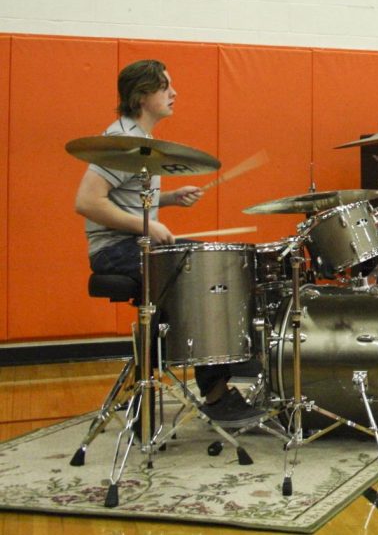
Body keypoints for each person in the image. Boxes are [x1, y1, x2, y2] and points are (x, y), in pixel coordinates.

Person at [75, 59, 263, 425]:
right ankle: (221, 386)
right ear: (142, 96)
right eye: (165, 87)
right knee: (209, 270)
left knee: (215, 261)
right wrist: (145, 227)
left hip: (130, 245)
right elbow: (87, 202)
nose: (174, 93)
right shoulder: (122, 142)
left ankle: (214, 381)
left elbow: (126, 197)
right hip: (115, 252)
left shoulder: (142, 141)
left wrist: (171, 198)